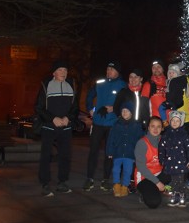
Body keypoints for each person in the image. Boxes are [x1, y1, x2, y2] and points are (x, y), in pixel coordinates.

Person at [35, 60, 79, 197]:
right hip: (49, 127)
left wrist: (68, 118)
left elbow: (75, 108)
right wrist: (52, 118)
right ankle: (45, 184)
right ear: (54, 72)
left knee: (65, 156)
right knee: (46, 156)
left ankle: (62, 183)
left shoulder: (71, 86)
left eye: (65, 70)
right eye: (60, 70)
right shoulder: (45, 86)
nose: (63, 73)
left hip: (65, 128)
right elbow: (38, 108)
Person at [83, 61, 127, 192]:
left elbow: (126, 103)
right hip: (98, 123)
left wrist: (115, 109)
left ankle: (105, 180)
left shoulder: (122, 85)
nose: (109, 72)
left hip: (112, 124)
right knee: (93, 152)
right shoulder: (100, 82)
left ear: (118, 72)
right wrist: (90, 108)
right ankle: (89, 178)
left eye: (112, 70)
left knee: (109, 153)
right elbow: (90, 96)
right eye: (108, 69)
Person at [106, 102, 144, 197]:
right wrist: (110, 151)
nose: (124, 112)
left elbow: (141, 140)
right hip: (118, 152)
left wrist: (139, 153)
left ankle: (125, 186)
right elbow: (111, 139)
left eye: (127, 111)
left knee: (128, 170)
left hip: (130, 153)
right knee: (115, 169)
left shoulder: (136, 125)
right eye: (123, 111)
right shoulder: (116, 124)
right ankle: (116, 185)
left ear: (131, 113)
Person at [159, 110, 189, 207]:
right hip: (171, 162)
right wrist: (162, 159)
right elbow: (162, 147)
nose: (174, 123)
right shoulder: (166, 134)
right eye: (173, 120)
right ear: (170, 121)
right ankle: (175, 195)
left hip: (182, 162)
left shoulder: (184, 135)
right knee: (174, 180)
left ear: (181, 122)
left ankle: (182, 194)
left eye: (177, 121)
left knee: (181, 180)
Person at [135, 116, 171, 208]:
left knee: (179, 167)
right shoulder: (142, 143)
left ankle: (159, 189)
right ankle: (144, 191)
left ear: (162, 128)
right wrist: (157, 182)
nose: (155, 129)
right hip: (144, 177)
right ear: (148, 127)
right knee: (154, 203)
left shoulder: (164, 141)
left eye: (158, 126)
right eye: (152, 126)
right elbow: (141, 167)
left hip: (159, 174)